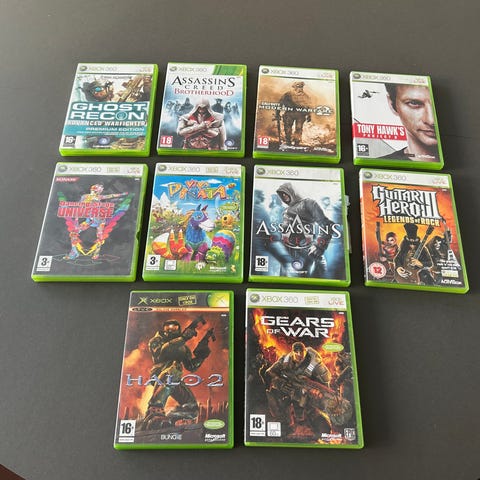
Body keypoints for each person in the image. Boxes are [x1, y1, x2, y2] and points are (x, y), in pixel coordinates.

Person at [142, 318, 213, 430]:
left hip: (174, 378)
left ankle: (172, 419)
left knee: (192, 408)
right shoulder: (156, 341)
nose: (171, 330)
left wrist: (201, 356)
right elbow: (162, 352)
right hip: (160, 374)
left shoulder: (183, 347)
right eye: (168, 328)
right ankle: (154, 412)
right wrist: (183, 338)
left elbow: (191, 366)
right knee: (172, 370)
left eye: (174, 328)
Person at [265, 342, 332, 437]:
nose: (299, 354)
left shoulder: (315, 364)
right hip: (287, 392)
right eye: (296, 352)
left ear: (305, 351)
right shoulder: (285, 360)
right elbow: (269, 372)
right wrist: (280, 382)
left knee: (324, 429)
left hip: (307, 397)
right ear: (293, 352)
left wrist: (318, 394)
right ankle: (287, 423)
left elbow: (326, 384)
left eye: (301, 352)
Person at [276, 182, 334, 276]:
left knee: (308, 280)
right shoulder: (285, 210)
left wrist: (319, 246)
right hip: (288, 253)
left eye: (285, 193)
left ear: (292, 192)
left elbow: (327, 225)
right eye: (282, 195)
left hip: (306, 251)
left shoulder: (308, 203)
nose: (284, 196)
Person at [382, 83, 439, 161]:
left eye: (437, 103)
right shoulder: (380, 163)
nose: (431, 120)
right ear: (392, 104)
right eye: (414, 103)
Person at [278, 81, 312, 146]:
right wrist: (277, 113)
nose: (300, 89)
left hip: (300, 114)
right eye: (298, 87)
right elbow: (280, 103)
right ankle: (288, 141)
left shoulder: (305, 96)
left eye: (301, 87)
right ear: (295, 88)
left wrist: (309, 115)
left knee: (299, 128)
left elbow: (308, 106)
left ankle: (297, 142)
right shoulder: (288, 94)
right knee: (288, 128)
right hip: (289, 113)